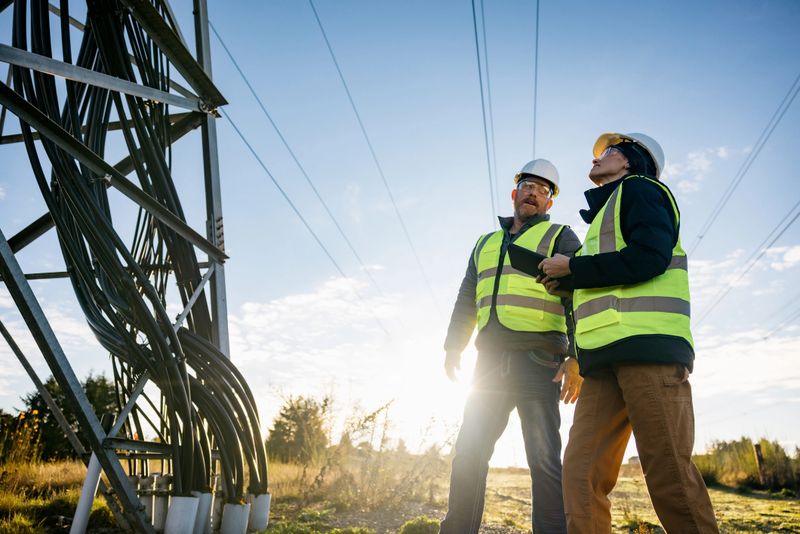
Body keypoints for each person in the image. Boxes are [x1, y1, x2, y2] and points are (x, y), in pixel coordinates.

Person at [539, 132, 719, 533]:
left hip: (648, 354)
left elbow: (650, 257)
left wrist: (575, 269)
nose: (598, 157)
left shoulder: (641, 190)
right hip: (601, 363)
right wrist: (568, 281)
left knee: (669, 474)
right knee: (581, 475)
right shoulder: (603, 218)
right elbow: (609, 278)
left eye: (609, 151)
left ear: (631, 161)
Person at [440, 159, 583, 534]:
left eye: (543, 189)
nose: (534, 192)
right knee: (468, 456)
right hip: (487, 364)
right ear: (514, 193)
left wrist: (576, 357)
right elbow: (467, 297)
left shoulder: (561, 237)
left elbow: (580, 296)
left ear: (549, 202)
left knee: (544, 462)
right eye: (528, 185)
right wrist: (453, 347)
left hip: (539, 363)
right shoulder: (485, 244)